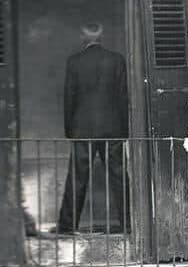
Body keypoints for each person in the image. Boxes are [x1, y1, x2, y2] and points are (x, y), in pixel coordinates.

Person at [54, 23, 130, 235]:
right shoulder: (117, 60)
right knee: (120, 177)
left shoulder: (74, 62)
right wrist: (124, 130)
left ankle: (67, 225)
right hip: (112, 129)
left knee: (76, 179)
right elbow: (123, 98)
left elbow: (69, 98)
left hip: (82, 130)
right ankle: (129, 223)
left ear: (82, 37)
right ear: (101, 36)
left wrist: (69, 130)